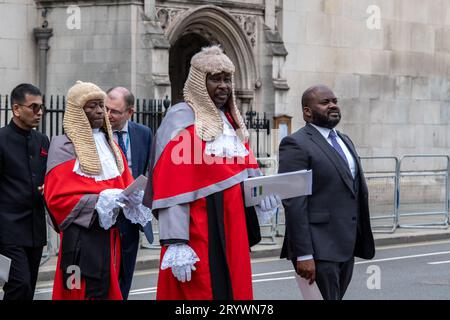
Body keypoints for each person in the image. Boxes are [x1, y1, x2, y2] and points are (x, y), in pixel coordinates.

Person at [143, 45, 281, 300]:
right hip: (198, 226)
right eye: (215, 79)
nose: (224, 86)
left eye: (227, 79)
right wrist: (176, 241)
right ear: (198, 82)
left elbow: (245, 171)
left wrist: (263, 196)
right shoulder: (180, 118)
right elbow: (173, 187)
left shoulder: (231, 122)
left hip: (234, 225)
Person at [44, 81, 151, 300]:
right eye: (92, 106)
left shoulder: (111, 145)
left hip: (112, 235)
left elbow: (125, 181)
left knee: (112, 288)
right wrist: (100, 199)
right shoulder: (63, 145)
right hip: (82, 237)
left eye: (101, 105)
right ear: (77, 110)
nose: (100, 111)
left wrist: (133, 196)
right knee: (81, 290)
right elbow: (56, 199)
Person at [278, 84, 375, 300]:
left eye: (335, 101)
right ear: (307, 112)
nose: (333, 105)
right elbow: (294, 202)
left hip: (345, 245)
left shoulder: (344, 139)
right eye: (325, 102)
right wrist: (304, 254)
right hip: (317, 248)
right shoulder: (295, 144)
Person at [0, 83, 49, 300]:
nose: (39, 113)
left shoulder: (42, 140)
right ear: (16, 109)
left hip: (35, 229)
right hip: (7, 230)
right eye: (34, 107)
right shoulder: (1, 140)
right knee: (19, 285)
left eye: (41, 107)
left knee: (28, 288)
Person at [105, 86, 154, 300]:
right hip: (106, 214)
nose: (108, 115)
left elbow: (151, 170)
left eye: (115, 111)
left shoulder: (143, 133)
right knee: (105, 277)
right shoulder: (97, 134)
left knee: (126, 274)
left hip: (132, 215)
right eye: (105, 108)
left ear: (130, 112)